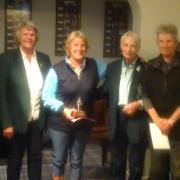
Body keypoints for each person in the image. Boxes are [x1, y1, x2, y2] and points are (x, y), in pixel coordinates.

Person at [42, 30, 106, 180]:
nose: (79, 48)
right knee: (59, 159)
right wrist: (64, 109)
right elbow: (46, 96)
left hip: (83, 124)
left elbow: (115, 71)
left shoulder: (95, 65)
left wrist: (135, 60)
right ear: (68, 47)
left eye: (83, 45)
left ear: (86, 48)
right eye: (75, 45)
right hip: (59, 124)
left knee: (77, 160)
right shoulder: (56, 70)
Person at [0, 20, 51, 180]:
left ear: (36, 37)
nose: (29, 37)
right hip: (15, 123)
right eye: (25, 33)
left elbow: (49, 89)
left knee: (36, 159)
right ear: (18, 37)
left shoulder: (44, 59)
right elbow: (1, 92)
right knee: (15, 159)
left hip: (37, 121)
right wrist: (6, 122)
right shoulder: (6, 59)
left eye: (32, 34)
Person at [103, 31, 148, 180]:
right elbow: (104, 89)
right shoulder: (112, 67)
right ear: (121, 47)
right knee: (117, 161)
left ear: (138, 48)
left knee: (136, 162)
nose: (129, 49)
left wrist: (139, 104)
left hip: (137, 118)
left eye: (133, 46)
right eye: (126, 45)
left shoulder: (146, 68)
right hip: (116, 116)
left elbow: (151, 96)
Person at [142, 23, 180, 180]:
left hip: (178, 126)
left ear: (176, 42)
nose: (165, 45)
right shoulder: (150, 66)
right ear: (158, 43)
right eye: (161, 41)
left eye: (169, 41)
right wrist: (158, 121)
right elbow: (145, 96)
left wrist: (171, 121)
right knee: (158, 171)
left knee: (178, 172)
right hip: (156, 126)